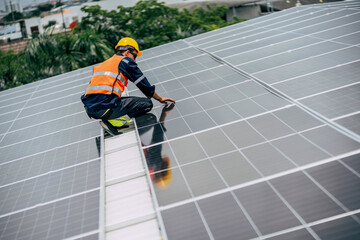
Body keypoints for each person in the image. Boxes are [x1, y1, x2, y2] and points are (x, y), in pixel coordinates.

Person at [81, 37, 175, 136]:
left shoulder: (103, 64)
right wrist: (160, 98)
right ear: (127, 52)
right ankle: (113, 121)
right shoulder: (125, 61)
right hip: (106, 108)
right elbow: (143, 85)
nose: (134, 60)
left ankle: (111, 119)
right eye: (134, 56)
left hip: (91, 110)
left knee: (119, 100)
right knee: (146, 104)